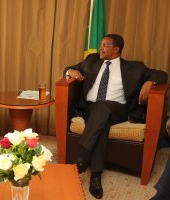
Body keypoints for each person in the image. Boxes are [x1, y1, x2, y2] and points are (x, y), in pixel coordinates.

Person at [63, 34, 168, 199]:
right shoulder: (91, 60)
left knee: (103, 107)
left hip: (119, 110)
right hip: (90, 108)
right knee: (101, 118)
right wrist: (72, 71)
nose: (100, 48)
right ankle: (95, 176)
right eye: (101, 45)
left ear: (116, 49)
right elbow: (68, 68)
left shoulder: (135, 67)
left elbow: (162, 74)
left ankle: (82, 159)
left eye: (105, 45)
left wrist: (150, 82)